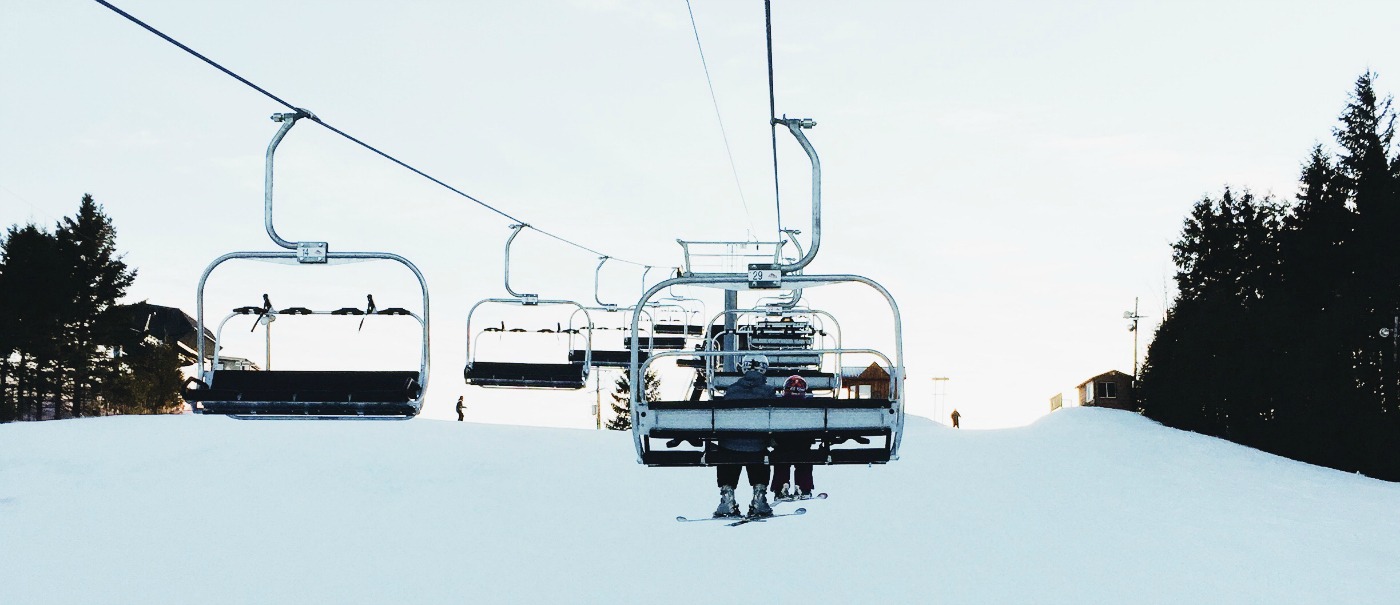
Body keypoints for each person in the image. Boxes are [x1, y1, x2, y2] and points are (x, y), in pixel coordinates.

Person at [712, 354, 775, 518]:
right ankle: (759, 498)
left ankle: (727, 499)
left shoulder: (732, 390)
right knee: (759, 453)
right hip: (758, 443)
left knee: (728, 453)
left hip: (730, 442)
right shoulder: (768, 392)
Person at [770, 374, 816, 500]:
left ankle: (780, 488)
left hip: (782, 443)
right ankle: (804, 487)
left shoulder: (777, 404)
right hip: (803, 444)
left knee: (781, 460)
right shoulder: (810, 406)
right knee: (804, 460)